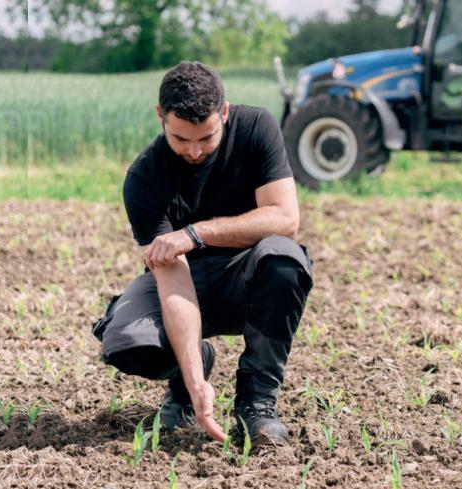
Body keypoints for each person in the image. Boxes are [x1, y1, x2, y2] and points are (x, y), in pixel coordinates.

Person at [90, 61, 313, 448]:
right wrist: (196, 384)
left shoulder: (256, 128)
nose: (194, 151)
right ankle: (187, 373)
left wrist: (194, 234)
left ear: (224, 113)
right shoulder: (144, 178)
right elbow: (174, 281)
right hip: (185, 284)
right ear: (160, 117)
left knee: (284, 256)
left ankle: (257, 402)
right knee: (126, 341)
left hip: (247, 278)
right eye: (180, 139)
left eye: (206, 138)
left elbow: (285, 219)